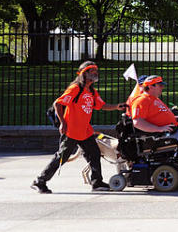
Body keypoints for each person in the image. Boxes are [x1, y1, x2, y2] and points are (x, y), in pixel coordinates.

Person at [32, 61, 127, 194]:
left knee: (94, 154)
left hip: (85, 131)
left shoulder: (92, 91)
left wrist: (116, 106)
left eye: (96, 70)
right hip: (71, 130)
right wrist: (63, 123)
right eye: (92, 71)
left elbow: (101, 105)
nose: (95, 73)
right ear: (84, 73)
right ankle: (40, 181)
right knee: (61, 157)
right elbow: (58, 104)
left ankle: (97, 182)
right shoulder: (75, 88)